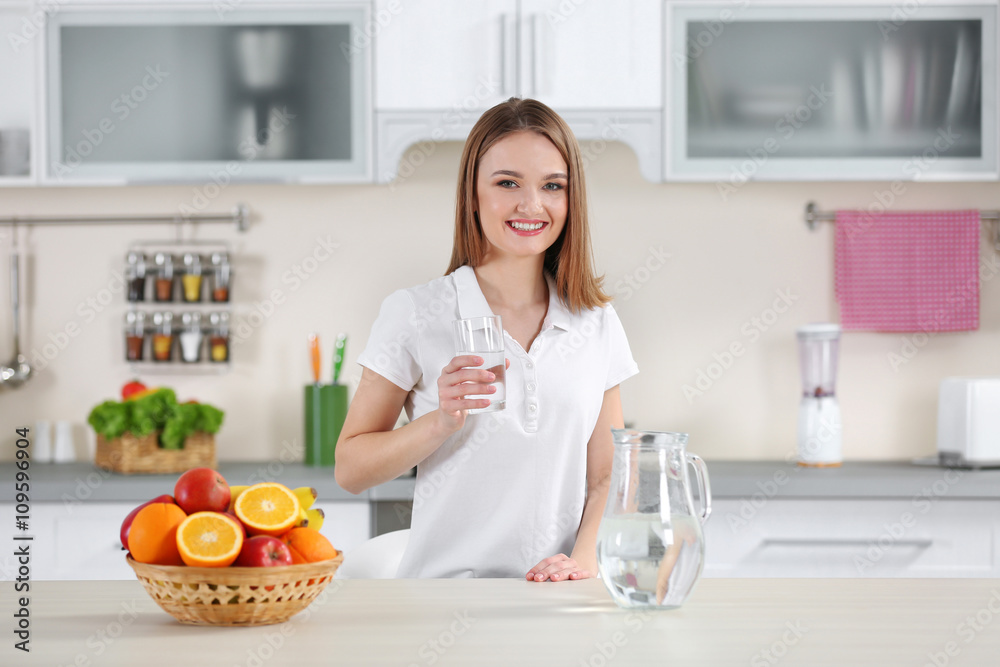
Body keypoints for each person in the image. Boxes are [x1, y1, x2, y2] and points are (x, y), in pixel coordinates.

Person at [335, 98, 638, 581]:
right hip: (444, 604)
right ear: (472, 195)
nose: (531, 205)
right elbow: (350, 469)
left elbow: (607, 476)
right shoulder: (415, 313)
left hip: (557, 601)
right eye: (507, 183)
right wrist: (440, 421)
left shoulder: (595, 321)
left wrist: (580, 564)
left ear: (570, 200)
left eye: (552, 186)